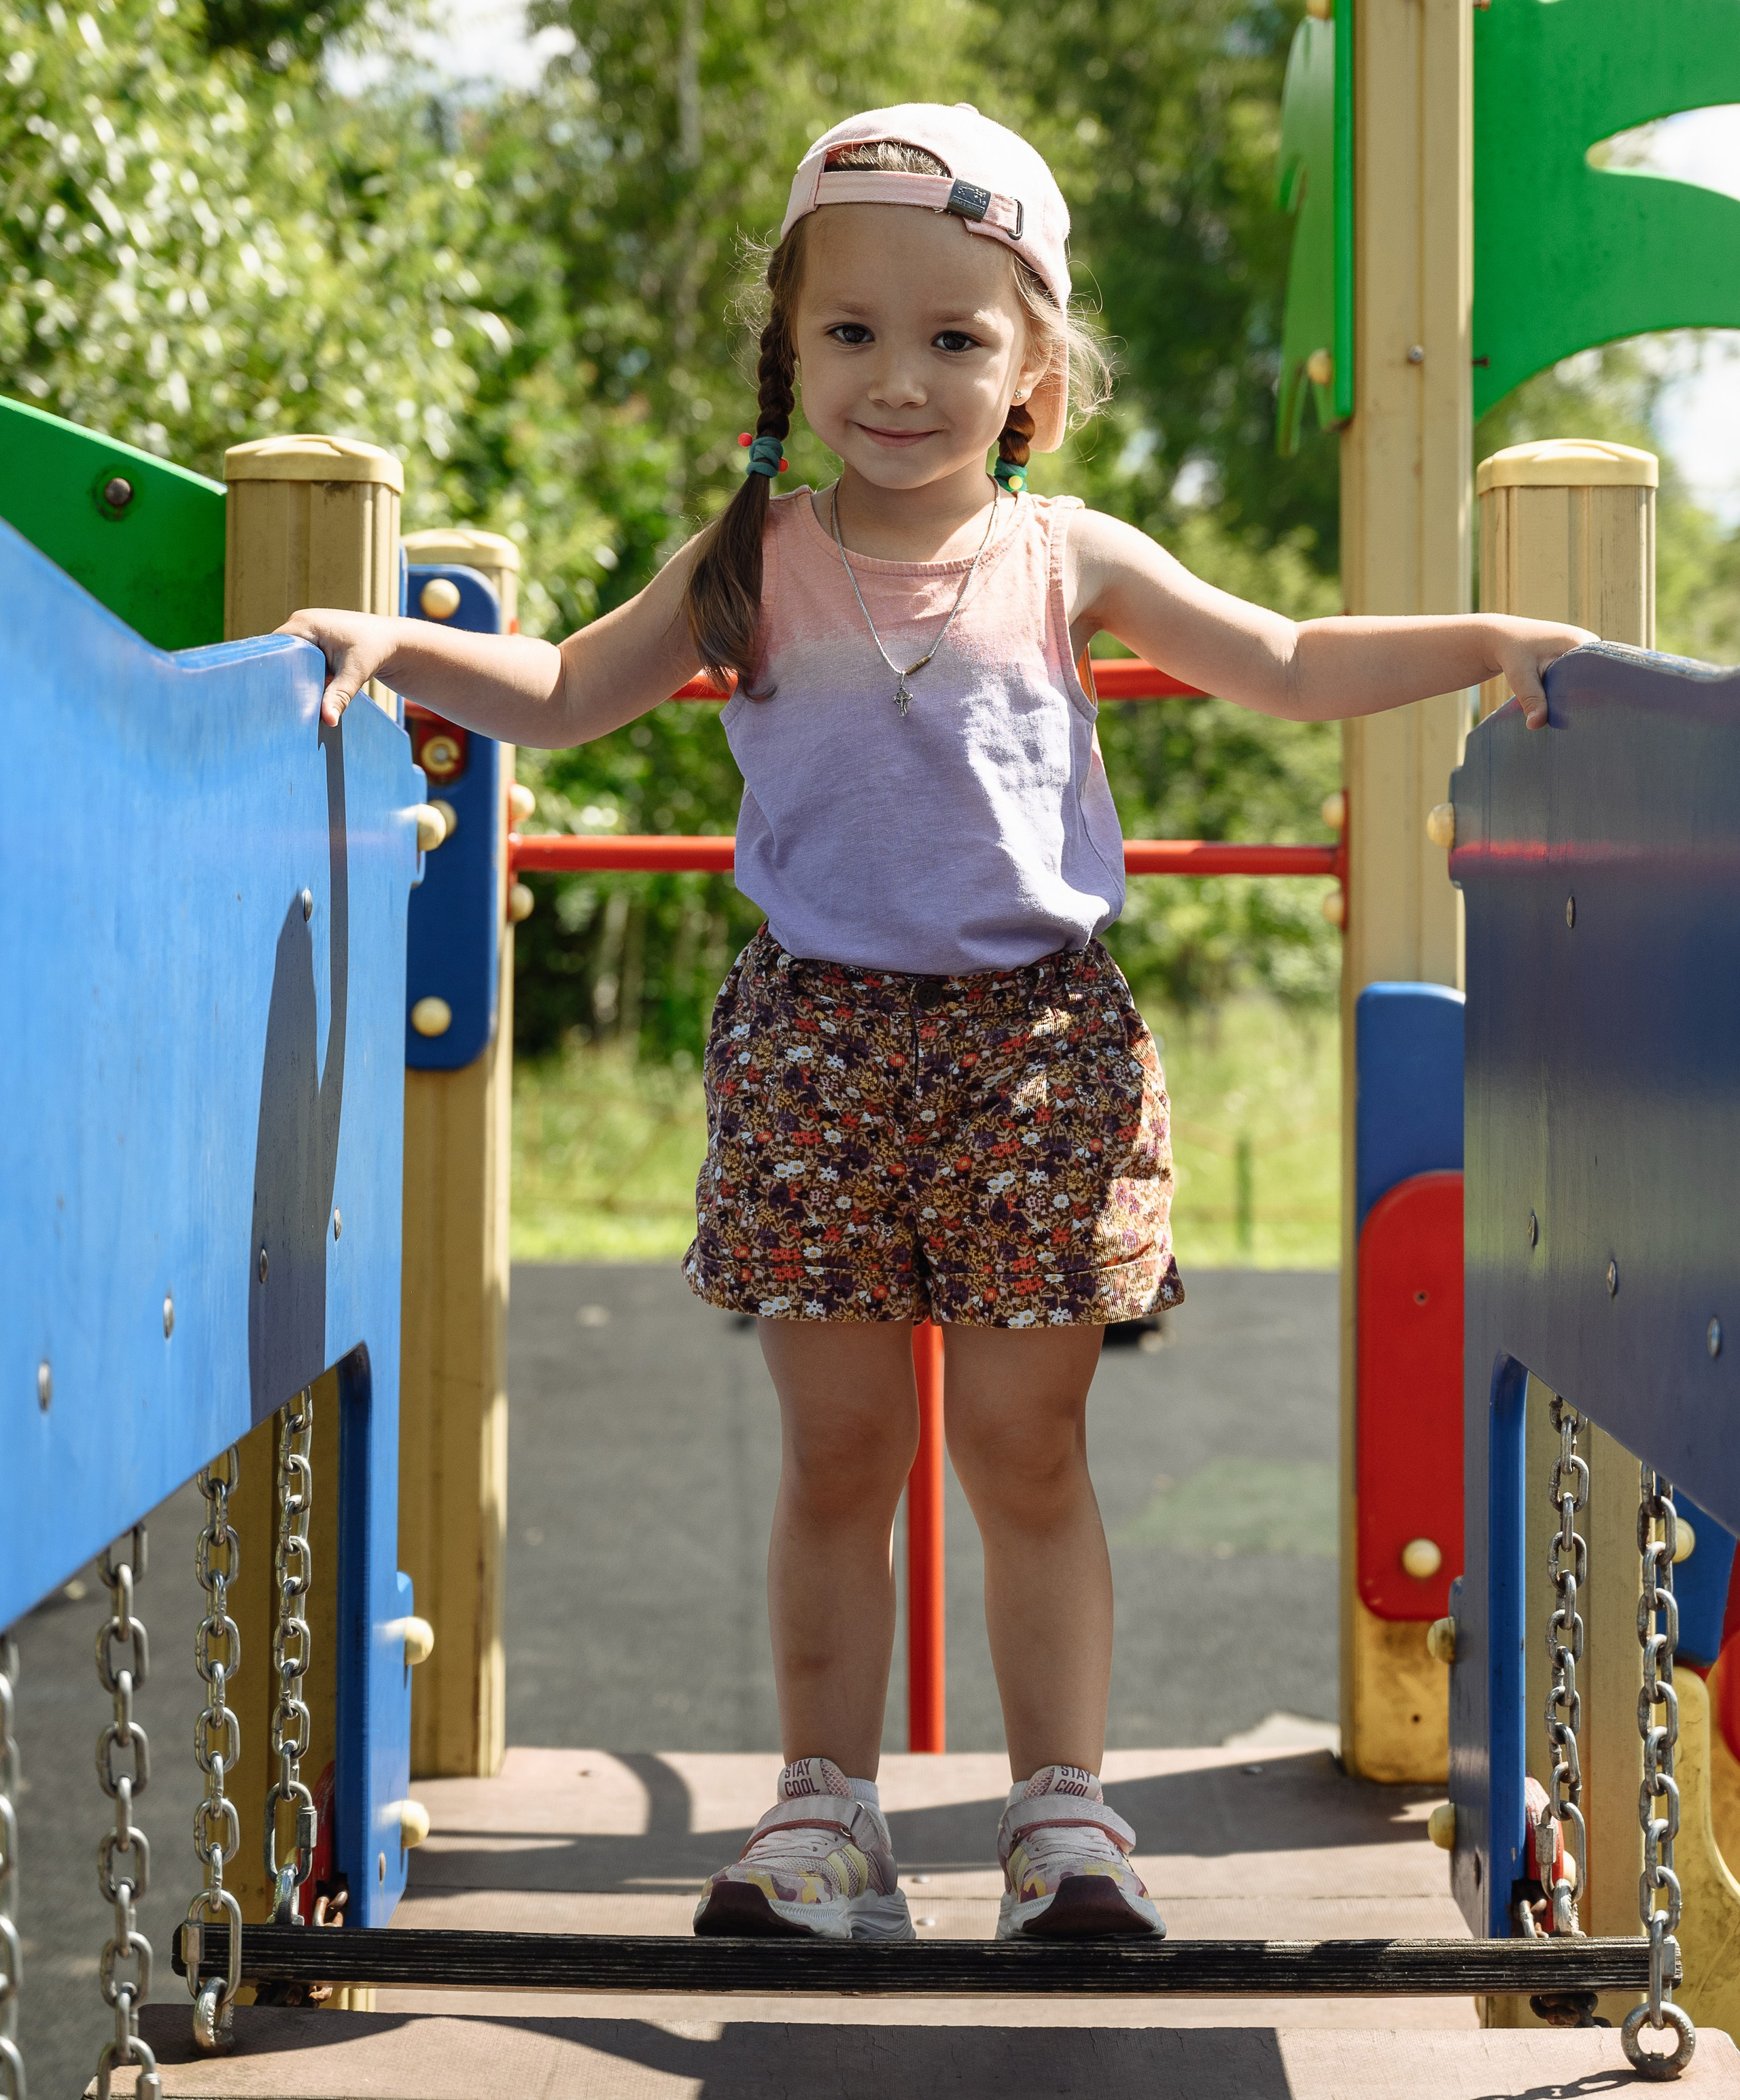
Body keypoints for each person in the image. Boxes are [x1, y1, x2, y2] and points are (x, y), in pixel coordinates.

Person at [282, 102, 1590, 1948]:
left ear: (1034, 362)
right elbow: (569, 692)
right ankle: (826, 1817)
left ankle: (1065, 1818)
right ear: (791, 346)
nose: (900, 377)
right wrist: (394, 644)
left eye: (956, 336)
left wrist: (1486, 643)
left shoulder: (1067, 555)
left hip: (1034, 1048)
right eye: (852, 332)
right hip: (816, 1049)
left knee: (1024, 1444)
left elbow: (1290, 662)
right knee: (836, 1454)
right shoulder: (751, 555)